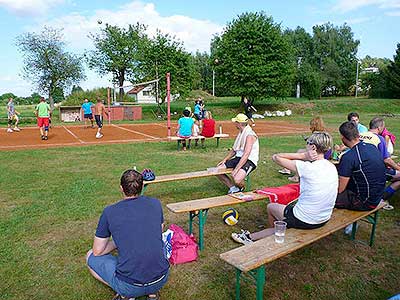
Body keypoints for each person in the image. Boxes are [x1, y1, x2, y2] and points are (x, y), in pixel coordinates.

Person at [231, 132, 338, 244]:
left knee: (271, 207)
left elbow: (276, 157)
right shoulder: (331, 166)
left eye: (307, 143)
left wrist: (303, 156)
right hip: (324, 218)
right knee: (289, 207)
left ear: (313, 147)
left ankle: (266, 236)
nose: (305, 146)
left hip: (306, 219)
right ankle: (273, 231)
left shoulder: (307, 167)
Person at [86, 169, 169, 300]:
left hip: (130, 285)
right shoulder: (155, 203)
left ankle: (125, 294)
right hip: (161, 278)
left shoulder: (109, 212)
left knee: (89, 256)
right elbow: (158, 231)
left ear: (121, 188)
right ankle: (152, 294)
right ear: (142, 186)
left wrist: (116, 242)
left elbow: (97, 251)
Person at [335, 121, 386, 211]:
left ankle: (346, 224)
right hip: (377, 196)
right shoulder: (371, 147)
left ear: (343, 137)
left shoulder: (348, 157)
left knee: (324, 197)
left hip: (365, 202)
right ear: (357, 134)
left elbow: (340, 189)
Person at [278, 116, 331, 181]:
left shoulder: (315, 134)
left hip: (320, 154)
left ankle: (295, 175)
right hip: (326, 153)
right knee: (300, 152)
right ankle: (287, 169)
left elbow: (312, 148)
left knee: (299, 153)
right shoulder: (325, 134)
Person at [217, 113, 259, 194]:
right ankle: (233, 188)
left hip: (249, 160)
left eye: (235, 122)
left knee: (236, 179)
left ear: (239, 123)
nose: (234, 124)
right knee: (217, 170)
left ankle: (241, 187)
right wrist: (225, 160)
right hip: (239, 158)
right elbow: (234, 150)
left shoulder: (250, 135)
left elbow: (246, 154)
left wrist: (236, 169)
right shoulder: (241, 132)